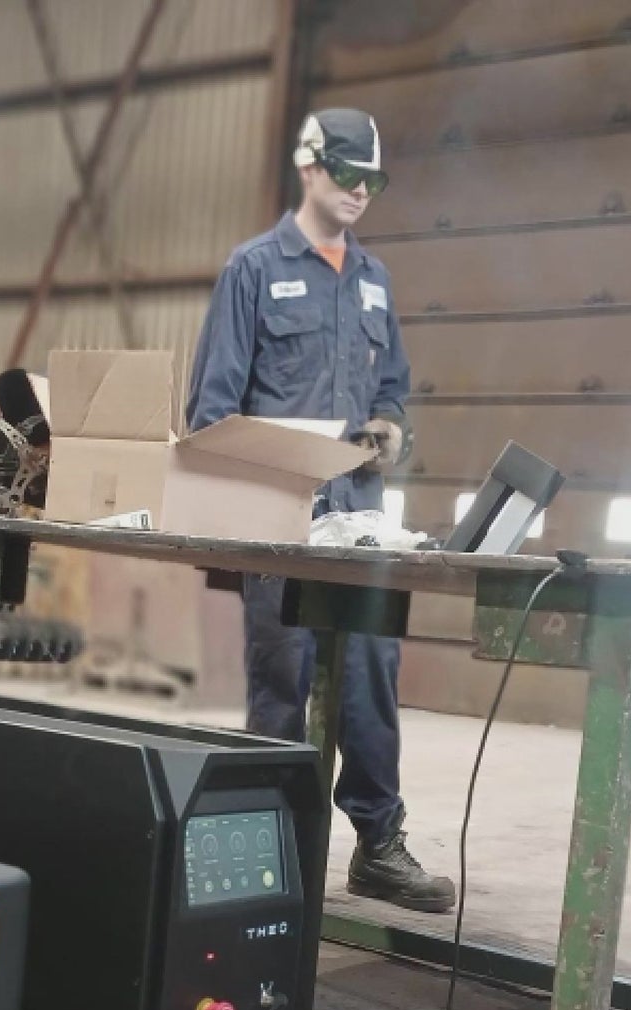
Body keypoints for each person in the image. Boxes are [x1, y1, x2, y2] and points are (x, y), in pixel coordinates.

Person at [186, 108, 455, 913]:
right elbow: (211, 411)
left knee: (373, 676)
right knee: (283, 682)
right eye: (348, 174)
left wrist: (390, 430)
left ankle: (377, 844)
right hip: (280, 521)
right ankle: (268, 846)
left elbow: (392, 389)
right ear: (309, 167)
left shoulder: (374, 280)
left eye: (374, 179)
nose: (361, 191)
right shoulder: (254, 270)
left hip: (361, 521)